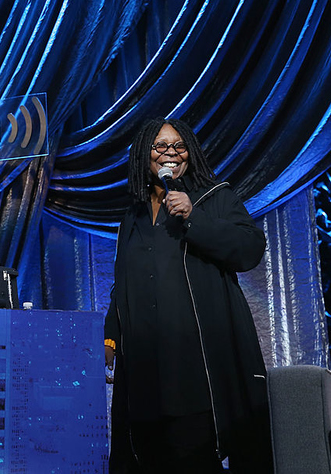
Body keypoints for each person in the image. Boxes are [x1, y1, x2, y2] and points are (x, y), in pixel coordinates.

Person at [104, 118, 272, 474]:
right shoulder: (131, 217)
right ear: (143, 155)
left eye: (178, 146)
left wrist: (194, 216)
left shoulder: (213, 198)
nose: (170, 154)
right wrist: (110, 338)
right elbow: (123, 283)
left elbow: (250, 249)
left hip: (197, 369)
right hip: (144, 372)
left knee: (194, 456)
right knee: (146, 457)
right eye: (160, 146)